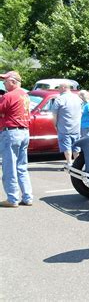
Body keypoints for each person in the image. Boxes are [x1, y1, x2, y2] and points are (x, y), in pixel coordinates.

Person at [0, 71, 34, 207]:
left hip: (11, 132)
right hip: (24, 132)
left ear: (13, 81)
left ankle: (12, 199)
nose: (3, 83)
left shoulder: (9, 95)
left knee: (9, 167)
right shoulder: (24, 95)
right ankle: (27, 197)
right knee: (21, 167)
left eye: (5, 81)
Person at [51, 81, 82, 166]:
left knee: (66, 146)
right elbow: (81, 111)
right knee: (76, 147)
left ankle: (69, 163)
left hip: (64, 127)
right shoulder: (77, 98)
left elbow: (54, 114)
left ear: (64, 88)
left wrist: (55, 124)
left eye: (59, 88)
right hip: (76, 127)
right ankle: (77, 164)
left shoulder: (59, 99)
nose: (58, 90)